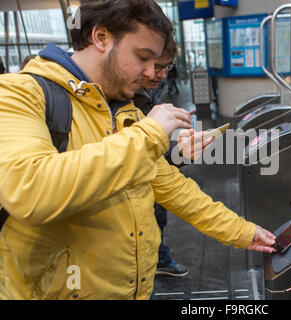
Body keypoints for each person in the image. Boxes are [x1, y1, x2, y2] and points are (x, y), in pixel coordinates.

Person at [0, 0, 275, 300]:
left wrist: (243, 232)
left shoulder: (125, 111)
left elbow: (174, 188)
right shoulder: (18, 94)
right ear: (101, 37)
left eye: (157, 63)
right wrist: (151, 132)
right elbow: (30, 190)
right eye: (143, 57)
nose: (149, 73)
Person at [133, 38, 212, 277]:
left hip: (138, 266)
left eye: (165, 67)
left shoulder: (144, 98)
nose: (160, 74)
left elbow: (155, 163)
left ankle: (158, 260)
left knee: (155, 223)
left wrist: (180, 153)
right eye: (155, 65)